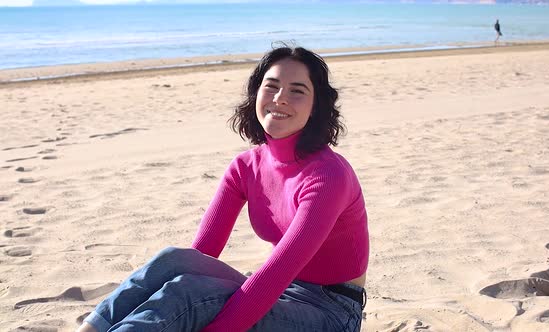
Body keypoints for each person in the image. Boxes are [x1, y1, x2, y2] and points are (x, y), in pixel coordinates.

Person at [77, 45, 370, 332]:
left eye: (297, 90)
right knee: (173, 261)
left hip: (331, 311)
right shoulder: (246, 166)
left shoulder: (328, 176)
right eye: (272, 86)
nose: (280, 98)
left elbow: (277, 272)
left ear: (315, 105)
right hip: (281, 291)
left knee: (190, 295)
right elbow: (198, 259)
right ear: (256, 94)